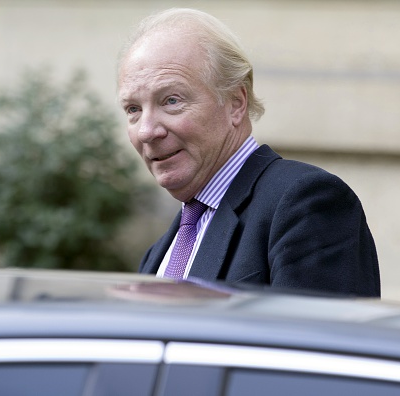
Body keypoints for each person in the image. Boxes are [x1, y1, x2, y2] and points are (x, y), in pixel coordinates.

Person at [117, 8, 380, 297]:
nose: (146, 131)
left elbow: (320, 339)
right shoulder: (160, 252)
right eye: (133, 109)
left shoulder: (306, 203)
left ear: (235, 103)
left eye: (171, 100)